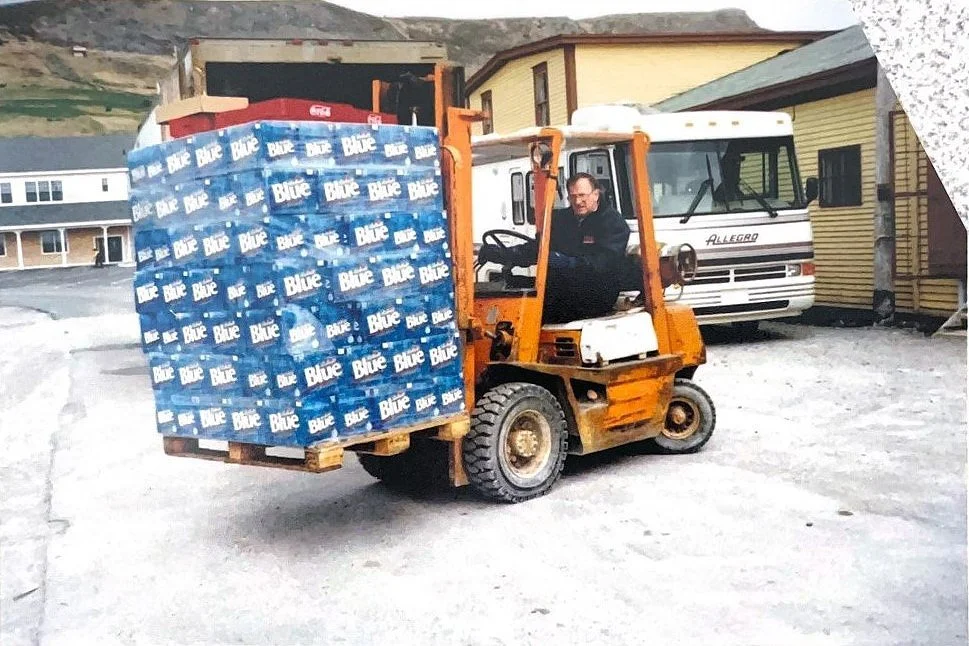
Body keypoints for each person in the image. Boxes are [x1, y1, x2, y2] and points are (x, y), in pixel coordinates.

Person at [479, 172, 630, 324]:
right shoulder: (561, 220)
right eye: (573, 196)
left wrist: (569, 263)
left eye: (582, 195)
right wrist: (504, 254)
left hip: (595, 290)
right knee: (508, 289)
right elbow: (537, 249)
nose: (578, 201)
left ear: (596, 194)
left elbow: (605, 261)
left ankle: (527, 342)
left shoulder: (612, 223)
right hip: (562, 285)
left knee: (533, 309)